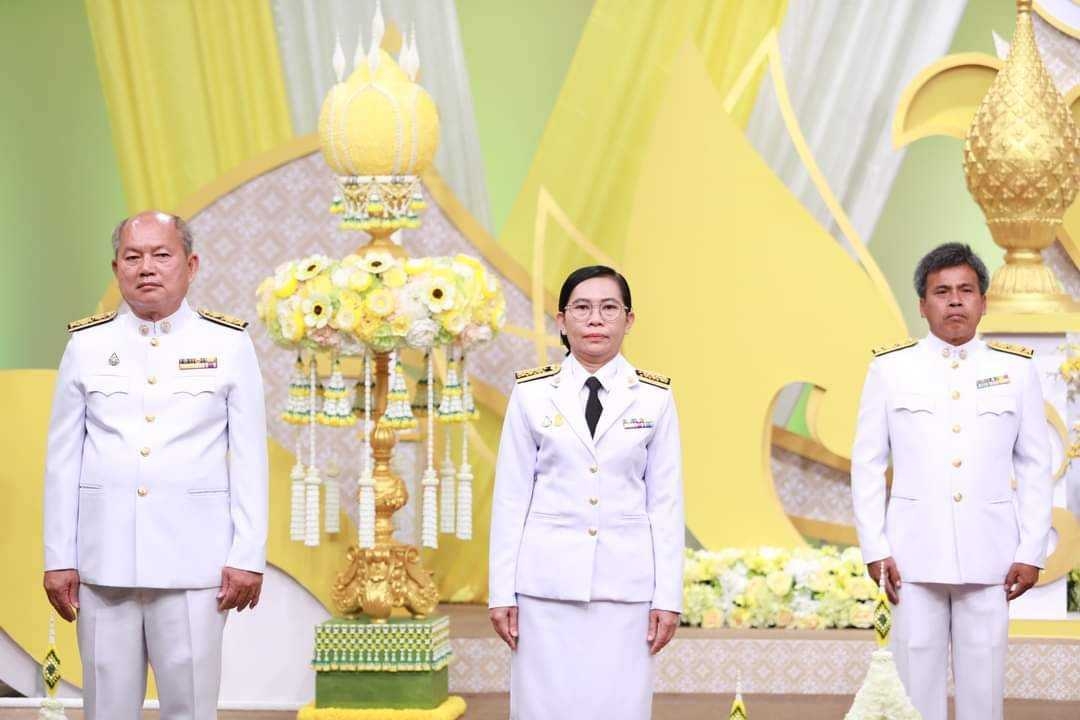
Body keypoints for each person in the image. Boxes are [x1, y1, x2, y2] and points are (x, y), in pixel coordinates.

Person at [42, 211, 269, 720]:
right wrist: (59, 556)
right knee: (106, 709)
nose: (146, 267)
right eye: (133, 256)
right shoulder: (87, 346)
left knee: (191, 707)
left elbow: (249, 459)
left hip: (195, 564)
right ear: (116, 268)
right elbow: (62, 460)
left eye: (161, 255)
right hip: (104, 562)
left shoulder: (227, 344)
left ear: (191, 265)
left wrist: (247, 555)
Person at [851, 243, 1052, 720]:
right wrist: (875, 546)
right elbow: (867, 463)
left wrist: (1031, 550)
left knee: (984, 692)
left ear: (984, 301)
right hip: (911, 559)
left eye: (966, 290)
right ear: (922, 305)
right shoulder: (891, 368)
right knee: (913, 691)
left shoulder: (1015, 369)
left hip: (992, 558)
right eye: (942, 292)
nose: (955, 301)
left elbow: (1035, 465)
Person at [488, 265, 684, 720]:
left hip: (626, 589)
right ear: (562, 320)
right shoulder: (532, 393)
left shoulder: (654, 397)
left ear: (628, 320)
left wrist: (667, 597)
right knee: (543, 708)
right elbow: (511, 498)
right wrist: (501, 592)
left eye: (609, 307)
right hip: (545, 589)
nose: (595, 319)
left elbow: (666, 503)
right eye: (582, 308)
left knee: (619, 706)